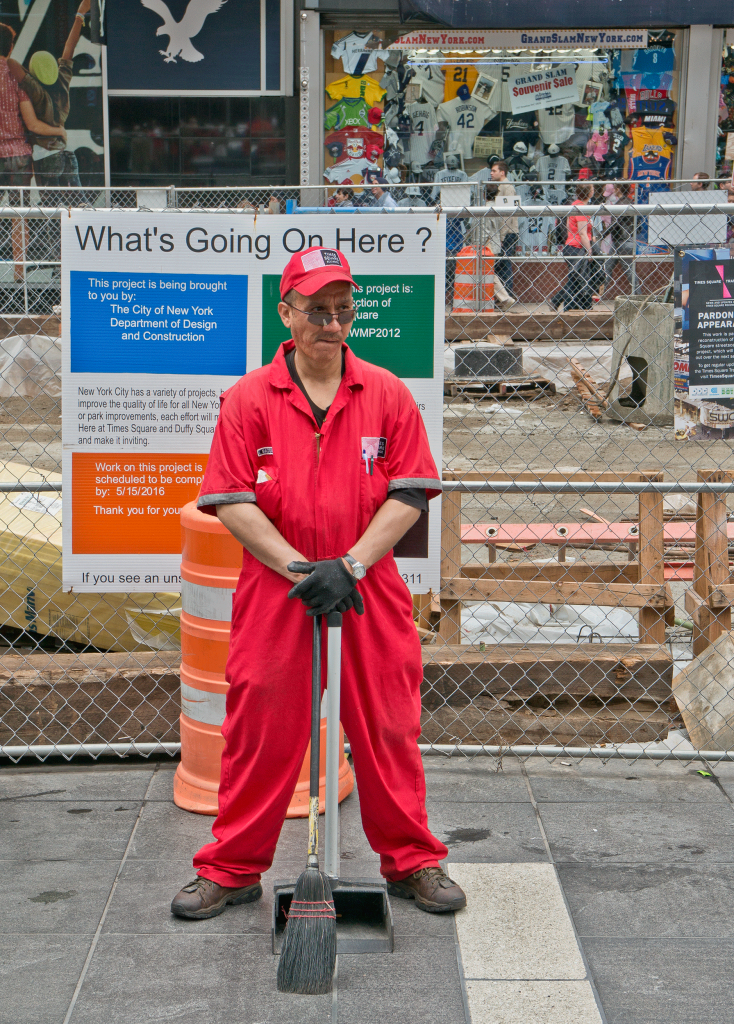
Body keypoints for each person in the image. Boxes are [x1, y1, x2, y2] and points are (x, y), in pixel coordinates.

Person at [171, 247, 467, 920]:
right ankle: (232, 868)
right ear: (287, 313)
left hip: (368, 590)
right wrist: (302, 570)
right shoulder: (248, 398)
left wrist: (351, 565)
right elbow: (232, 498)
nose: (332, 324)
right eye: (316, 311)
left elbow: (412, 491)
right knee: (259, 733)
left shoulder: (387, 392)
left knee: (389, 726)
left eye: (342, 310)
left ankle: (412, 861)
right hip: (280, 593)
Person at [0, 22, 67, 280]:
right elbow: (32, 124)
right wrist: (59, 131)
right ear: (11, 47)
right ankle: (19, 276)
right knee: (19, 214)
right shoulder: (17, 78)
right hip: (18, 155)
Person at [7, 0, 90, 189]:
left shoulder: (36, 91)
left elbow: (11, 63)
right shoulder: (62, 80)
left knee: (51, 207)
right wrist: (79, 15)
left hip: (46, 157)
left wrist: (27, 75)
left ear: (34, 72)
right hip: (67, 153)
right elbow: (70, 48)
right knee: (75, 203)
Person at [551, 181, 595, 310]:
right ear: (590, 193)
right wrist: (590, 250)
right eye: (592, 189)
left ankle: (575, 304)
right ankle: (564, 304)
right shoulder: (581, 209)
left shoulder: (574, 205)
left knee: (576, 278)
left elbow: (569, 227)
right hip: (577, 247)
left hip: (571, 245)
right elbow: (582, 233)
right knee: (576, 278)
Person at [490, 161, 519, 298]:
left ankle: (507, 295)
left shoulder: (506, 188)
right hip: (504, 231)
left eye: (494, 171)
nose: (491, 173)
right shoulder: (501, 187)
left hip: (507, 232)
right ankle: (504, 296)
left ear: (502, 172)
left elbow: (507, 214)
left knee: (504, 264)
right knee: (501, 264)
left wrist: (502, 237)